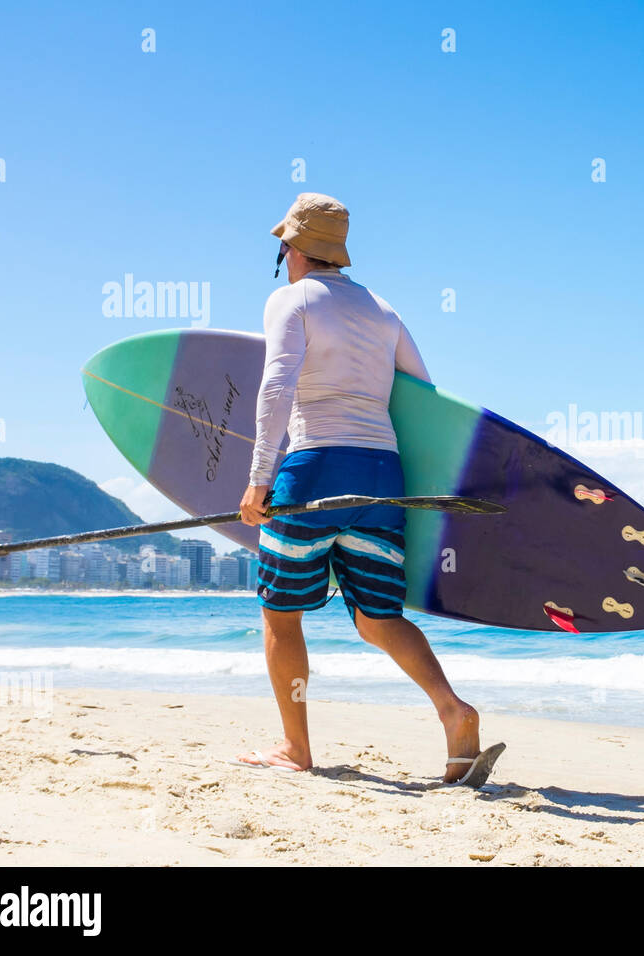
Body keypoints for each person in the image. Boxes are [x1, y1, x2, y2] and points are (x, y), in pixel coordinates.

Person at [236, 193, 503, 785]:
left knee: (281, 614)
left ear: (294, 248)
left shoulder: (290, 299)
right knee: (377, 616)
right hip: (384, 476)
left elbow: (277, 386)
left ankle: (295, 747)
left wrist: (258, 480)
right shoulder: (384, 311)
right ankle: (453, 711)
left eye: (283, 243)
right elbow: (423, 397)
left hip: (313, 470)